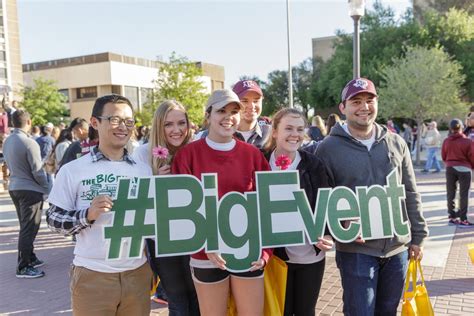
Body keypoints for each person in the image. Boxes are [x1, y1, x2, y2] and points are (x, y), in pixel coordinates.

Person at [316, 78, 428, 316]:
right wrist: (336, 227)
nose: (364, 107)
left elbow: (409, 190)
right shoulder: (327, 148)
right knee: (360, 312)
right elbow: (321, 198)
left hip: (397, 248)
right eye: (356, 101)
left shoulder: (396, 142)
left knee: (388, 311)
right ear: (343, 107)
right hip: (357, 251)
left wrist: (418, 235)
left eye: (369, 100)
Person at [46, 94, 153, 315]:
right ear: (95, 123)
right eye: (114, 119)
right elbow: (53, 220)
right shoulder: (73, 170)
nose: (123, 127)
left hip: (138, 274)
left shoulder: (143, 169)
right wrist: (87, 214)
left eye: (128, 121)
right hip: (93, 274)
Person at [172, 89, 272, 315]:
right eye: (221, 111)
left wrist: (265, 252)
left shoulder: (253, 155)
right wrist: (206, 244)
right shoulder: (187, 156)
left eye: (234, 111)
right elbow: (181, 213)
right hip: (205, 255)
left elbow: (267, 207)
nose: (228, 117)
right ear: (208, 115)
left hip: (248, 251)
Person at [263, 108, 333, 315]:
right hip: (275, 258)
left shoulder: (314, 165)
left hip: (310, 257)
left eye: (300, 129)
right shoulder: (259, 162)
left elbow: (326, 202)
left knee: (305, 311)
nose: (295, 134)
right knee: (279, 310)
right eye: (289, 128)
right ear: (275, 131)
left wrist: (328, 233)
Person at [132, 100, 198, 315]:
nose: (176, 130)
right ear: (159, 126)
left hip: (195, 235)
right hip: (161, 240)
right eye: (169, 124)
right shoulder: (142, 154)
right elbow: (136, 200)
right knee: (177, 301)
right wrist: (155, 182)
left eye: (181, 123)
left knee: (199, 299)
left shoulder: (197, 149)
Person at [3, 110, 49, 278]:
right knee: (29, 228)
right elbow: (38, 171)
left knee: (26, 226)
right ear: (29, 122)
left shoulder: (7, 141)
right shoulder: (29, 143)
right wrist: (47, 189)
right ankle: (23, 266)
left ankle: (30, 257)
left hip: (15, 187)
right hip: (30, 189)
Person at [442, 119, 474, 227]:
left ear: (451, 128)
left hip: (450, 167)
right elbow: (472, 156)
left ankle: (451, 217)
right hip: (464, 169)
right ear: (461, 127)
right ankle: (463, 219)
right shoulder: (468, 141)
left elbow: (444, 155)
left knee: (450, 192)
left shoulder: (446, 141)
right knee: (464, 194)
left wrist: (449, 163)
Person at [232, 79, 271, 148]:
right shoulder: (222, 133)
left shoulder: (271, 132)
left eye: (256, 101)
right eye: (244, 101)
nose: (251, 106)